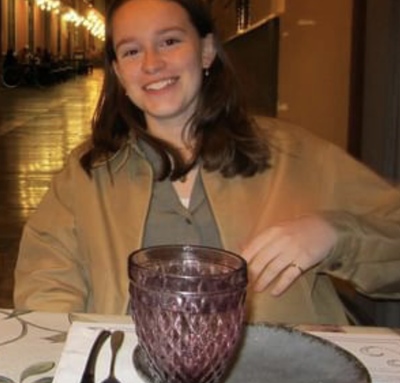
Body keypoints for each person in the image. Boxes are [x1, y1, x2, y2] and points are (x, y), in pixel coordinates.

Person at [14, 0, 400, 325]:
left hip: (279, 375)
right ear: (118, 72)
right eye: (131, 51)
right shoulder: (85, 175)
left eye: (169, 41)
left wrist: (334, 235)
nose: (152, 63)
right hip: (130, 376)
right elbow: (45, 285)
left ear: (206, 51)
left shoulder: (293, 155)